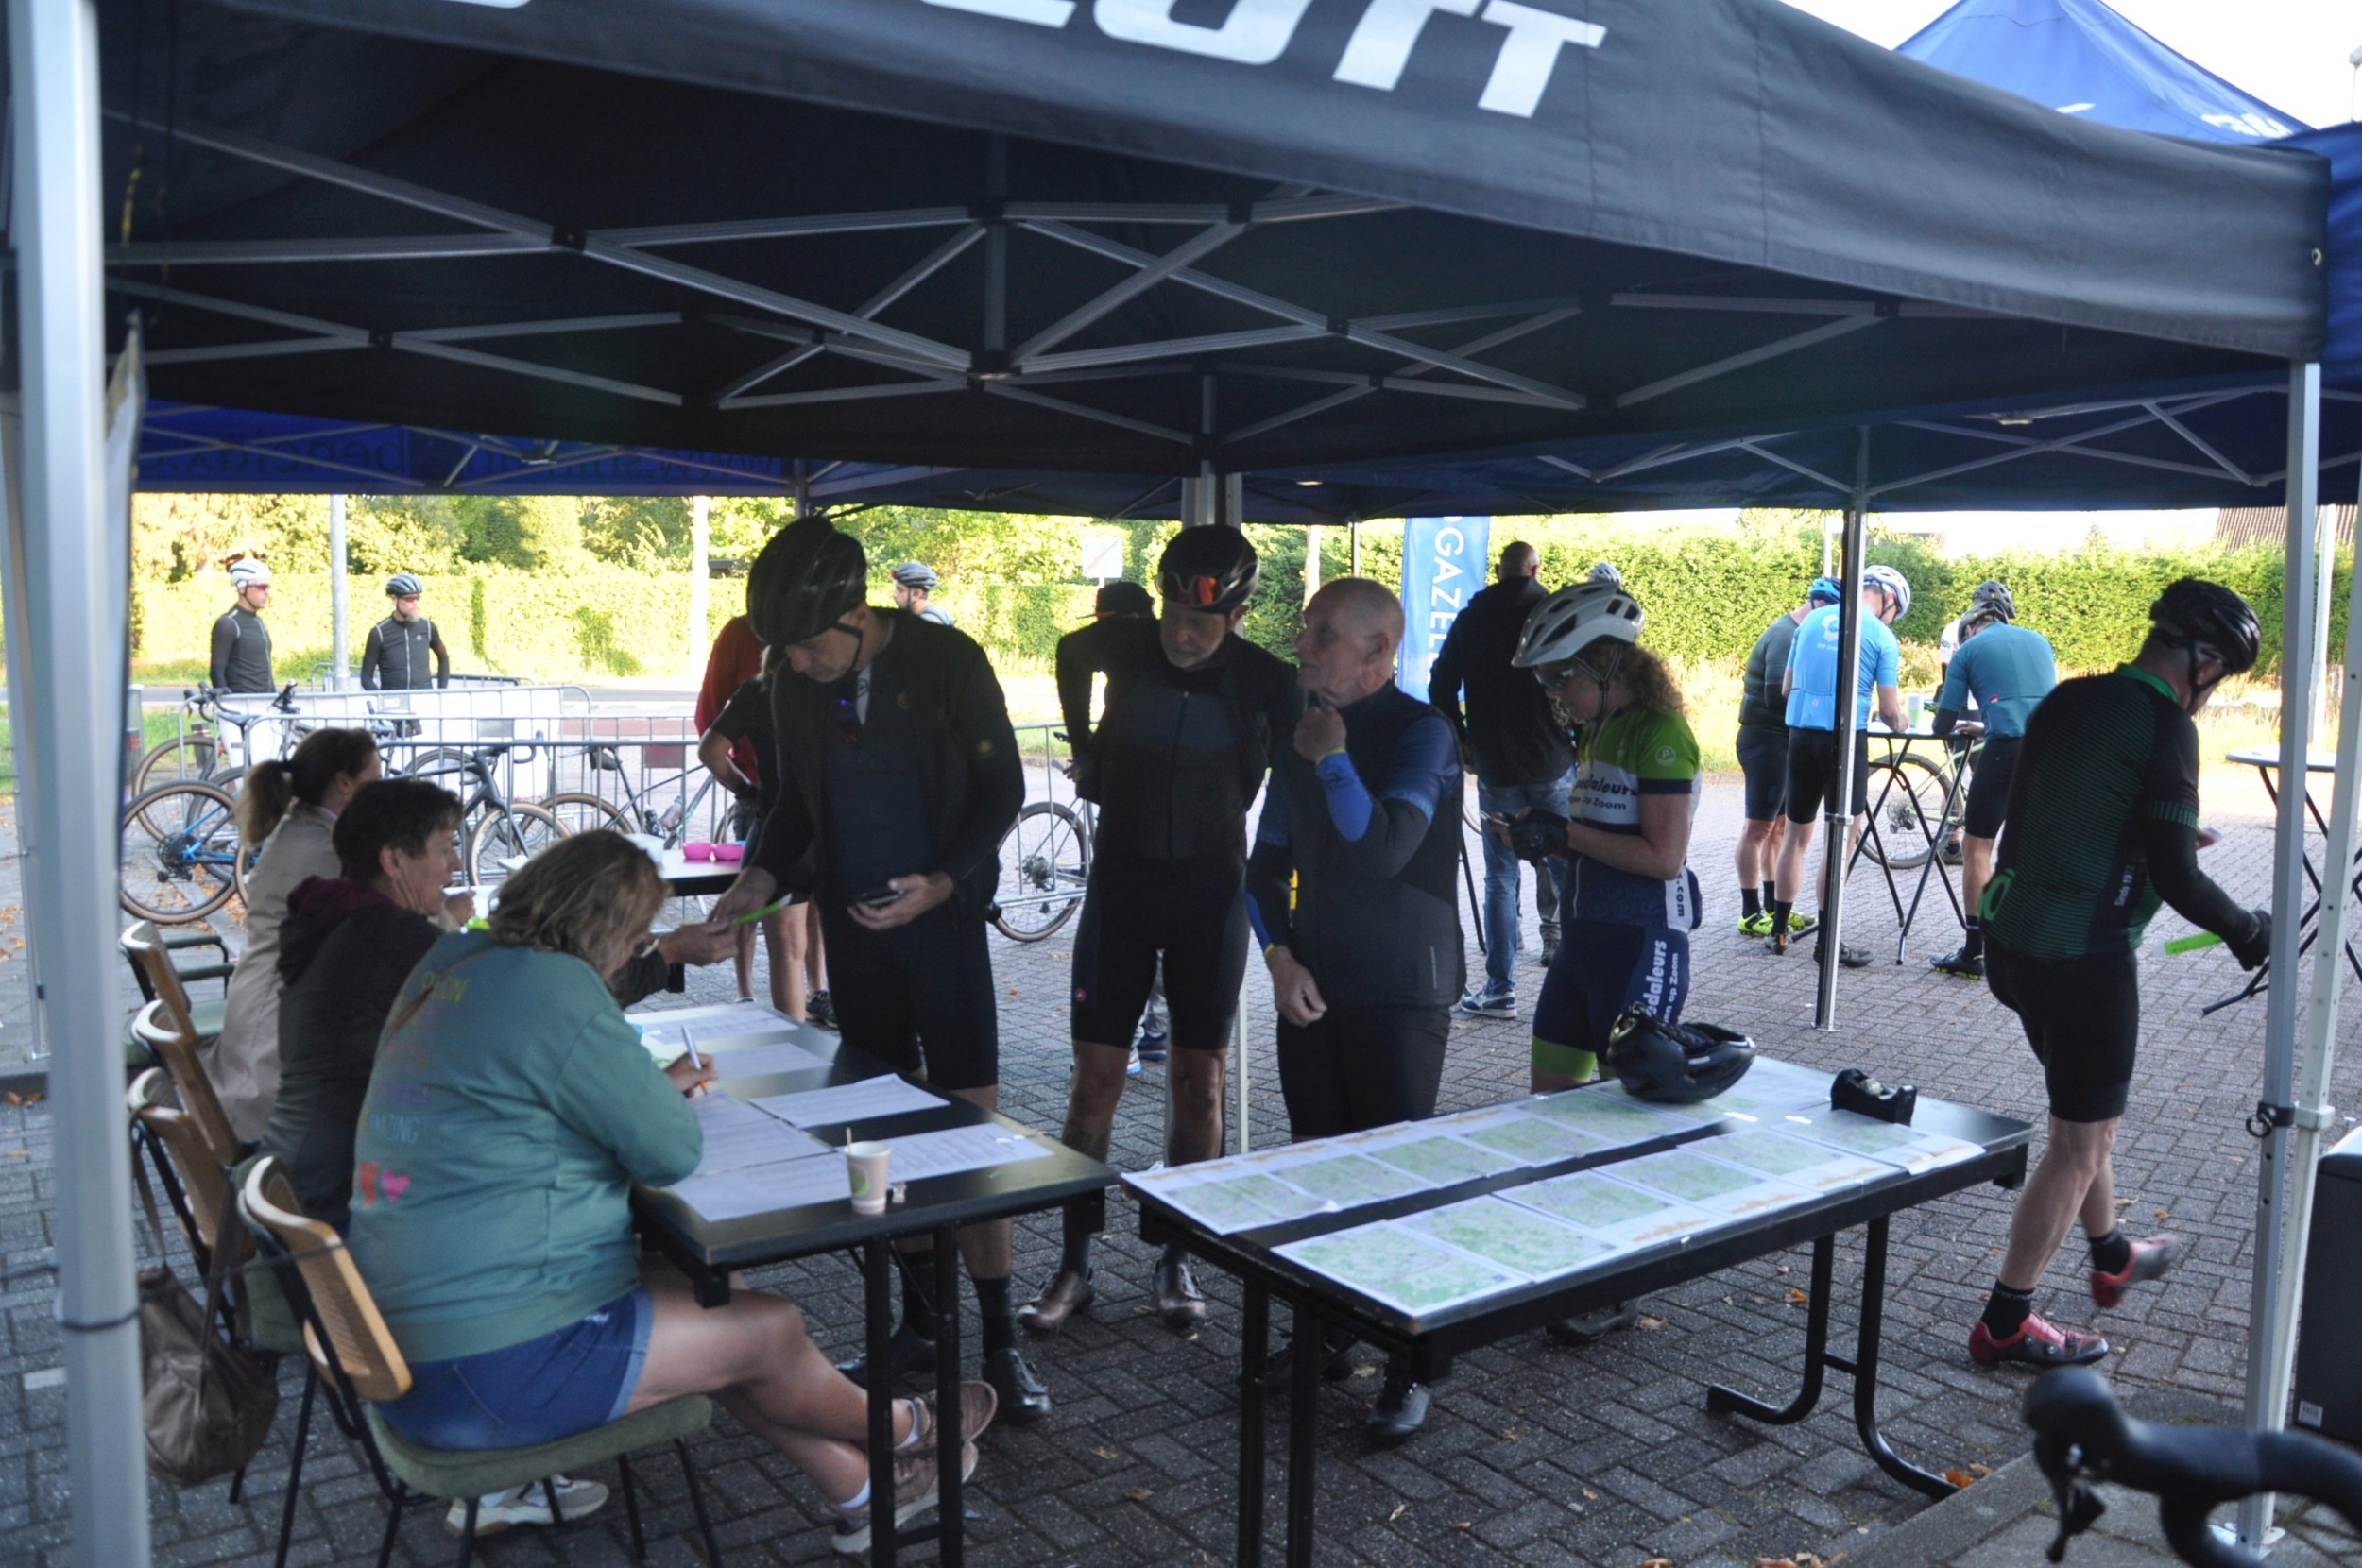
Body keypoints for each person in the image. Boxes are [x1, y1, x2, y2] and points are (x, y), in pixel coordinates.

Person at [350, 834, 994, 1550]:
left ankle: (865, 1493)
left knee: (715, 1302)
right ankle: (908, 1428)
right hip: (488, 1364)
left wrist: (638, 1093)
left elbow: (518, 1100)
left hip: (408, 1332)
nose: (633, 954)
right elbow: (671, 1152)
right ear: (601, 928)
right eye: (635, 938)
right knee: (769, 1328)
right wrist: (652, 1098)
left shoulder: (453, 961)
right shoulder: (557, 989)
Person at [708, 520, 1047, 1421]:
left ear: (857, 615)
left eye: (810, 646)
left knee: (972, 1137)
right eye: (788, 651)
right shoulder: (793, 683)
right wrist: (761, 876)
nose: (799, 664)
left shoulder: (947, 661)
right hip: (857, 941)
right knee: (879, 1140)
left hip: (944, 934)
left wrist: (946, 880)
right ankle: (922, 1322)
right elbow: (792, 803)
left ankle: (1000, 1341)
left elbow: (1004, 789)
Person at [1969, 580, 2271, 1369]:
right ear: (2203, 661)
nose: (2215, 688)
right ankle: (2006, 1321)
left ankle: (2111, 1256)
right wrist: (2250, 933)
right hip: (2084, 958)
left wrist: (2141, 831)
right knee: (2081, 1141)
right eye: (2222, 672)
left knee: (2083, 1117)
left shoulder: (2070, 697)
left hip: (2011, 940)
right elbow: (2180, 879)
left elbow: (2046, 812)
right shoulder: (2166, 727)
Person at [1019, 530, 1296, 1338]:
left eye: (1201, 621)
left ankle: (1178, 1256)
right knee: (1094, 1085)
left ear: (1237, 615)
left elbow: (1304, 773)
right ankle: (1074, 1264)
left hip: (1212, 893)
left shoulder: (1266, 679)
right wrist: (1085, 750)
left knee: (1199, 1085)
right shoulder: (1130, 644)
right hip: (1123, 890)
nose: (1181, 632)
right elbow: (1070, 652)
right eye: (1172, 612)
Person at [1245, 578, 1463, 1446]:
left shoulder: (1423, 732)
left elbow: (1382, 851)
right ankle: (1328, 1331)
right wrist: (1279, 957)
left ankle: (1413, 1360)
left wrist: (1332, 758)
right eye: (1305, 629)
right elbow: (1263, 868)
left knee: (1395, 1177)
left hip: (1405, 983)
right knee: (1319, 1170)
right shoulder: (1301, 732)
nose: (1303, 645)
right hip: (1316, 979)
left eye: (1323, 633)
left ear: (1377, 651)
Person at [1509, 580, 1703, 1346]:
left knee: (1627, 1120)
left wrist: (1562, 835)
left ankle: (1623, 1280)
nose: (1555, 694)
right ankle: (1572, 1257)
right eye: (1547, 680)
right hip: (1585, 940)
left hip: (1640, 943)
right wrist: (1543, 836)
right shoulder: (1598, 731)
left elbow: (1663, 859)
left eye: (1563, 677)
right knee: (1554, 1107)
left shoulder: (1661, 732)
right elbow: (1595, 843)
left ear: (1608, 662)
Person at [264, 778, 471, 1233]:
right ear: (393, 861)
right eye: (444, 848)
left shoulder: (342, 918)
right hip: (331, 1202)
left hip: (294, 1177)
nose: (455, 863)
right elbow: (499, 1007)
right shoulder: (388, 936)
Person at [208, 728, 381, 1142]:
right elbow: (376, 933)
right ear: (344, 783)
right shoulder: (324, 850)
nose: (381, 789)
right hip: (270, 1065)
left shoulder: (304, 829)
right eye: (374, 779)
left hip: (263, 1020)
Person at [1429, 541, 1573, 1011]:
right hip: (1552, 761)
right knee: (1568, 868)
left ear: (1497, 570)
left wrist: (1462, 739)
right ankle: (1582, 977)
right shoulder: (1552, 612)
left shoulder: (1472, 617)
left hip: (1496, 766)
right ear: (1535, 569)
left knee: (1500, 878)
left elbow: (1439, 683)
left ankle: (1500, 988)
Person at [1769, 564, 1909, 967]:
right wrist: (1900, 722)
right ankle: (1826, 942)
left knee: (1795, 837)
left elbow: (1785, 687)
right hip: (1845, 742)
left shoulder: (1811, 622)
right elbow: (1889, 710)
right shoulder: (1880, 635)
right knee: (1840, 840)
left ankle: (1779, 932)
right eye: (1896, 613)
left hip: (1800, 735)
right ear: (1889, 600)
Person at [699, 611, 831, 1026]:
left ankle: (793, 1048)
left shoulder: (756, 690)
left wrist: (745, 791)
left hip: (776, 827)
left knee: (786, 952)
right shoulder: (834, 688)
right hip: (832, 830)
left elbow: (710, 750)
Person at [1054, 579, 1166, 1065]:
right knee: (1162, 919)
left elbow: (1074, 683)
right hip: (1176, 799)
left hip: (1124, 794)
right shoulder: (1170, 639)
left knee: (1125, 918)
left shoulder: (1093, 644)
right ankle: (1155, 1030)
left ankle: (1129, 1034)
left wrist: (1084, 753)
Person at [1927, 587, 2057, 980]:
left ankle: (1975, 952)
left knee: (1977, 848)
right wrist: (1988, 724)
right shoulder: (2040, 641)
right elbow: (2032, 706)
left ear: (1969, 627)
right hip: (2047, 751)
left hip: (2004, 753)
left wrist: (1961, 723)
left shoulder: (1967, 651)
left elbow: (1942, 724)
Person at [1735, 577, 1839, 937]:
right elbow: (1775, 696)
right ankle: (1749, 912)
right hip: (1764, 739)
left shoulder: (1800, 632)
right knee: (1758, 827)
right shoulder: (1785, 635)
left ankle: (1772, 905)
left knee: (1779, 827)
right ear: (1819, 606)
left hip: (1783, 740)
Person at [358, 572, 451, 691]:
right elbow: (366, 677)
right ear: (394, 599)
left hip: (424, 697)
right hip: (393, 699)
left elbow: (443, 657)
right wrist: (381, 698)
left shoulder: (428, 627)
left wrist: (441, 691)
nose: (415, 603)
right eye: (410, 599)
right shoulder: (379, 633)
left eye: (418, 598)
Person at [210, 557, 275, 694]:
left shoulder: (258, 621)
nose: (266, 592)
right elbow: (217, 671)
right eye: (261, 587)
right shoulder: (229, 623)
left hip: (266, 702)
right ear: (242, 588)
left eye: (267, 587)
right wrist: (228, 703)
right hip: (243, 703)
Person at [891, 561, 953, 625]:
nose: (894, 595)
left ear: (917, 594)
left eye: (901, 590)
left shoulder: (929, 621)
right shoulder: (923, 616)